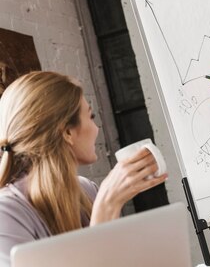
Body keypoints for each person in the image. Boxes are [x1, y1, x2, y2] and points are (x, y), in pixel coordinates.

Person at [0, 71, 167, 265]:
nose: (96, 129)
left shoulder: (87, 190)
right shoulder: (7, 214)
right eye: (91, 116)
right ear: (68, 132)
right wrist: (107, 207)